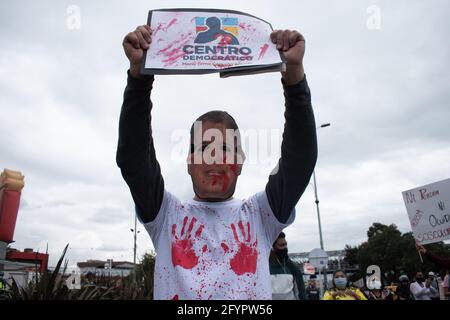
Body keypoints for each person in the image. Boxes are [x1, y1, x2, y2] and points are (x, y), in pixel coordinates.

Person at [117, 25, 317, 299]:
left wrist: (294, 76)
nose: (214, 157)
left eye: (225, 148)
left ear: (241, 162)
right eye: (204, 147)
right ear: (189, 162)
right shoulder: (165, 215)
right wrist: (139, 78)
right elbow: (134, 159)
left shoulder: (261, 215)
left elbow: (300, 162)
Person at [269, 232, 306, 300]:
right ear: (272, 247)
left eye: (286, 244)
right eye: (282, 245)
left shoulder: (293, 267)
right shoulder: (263, 268)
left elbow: (302, 293)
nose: (285, 247)